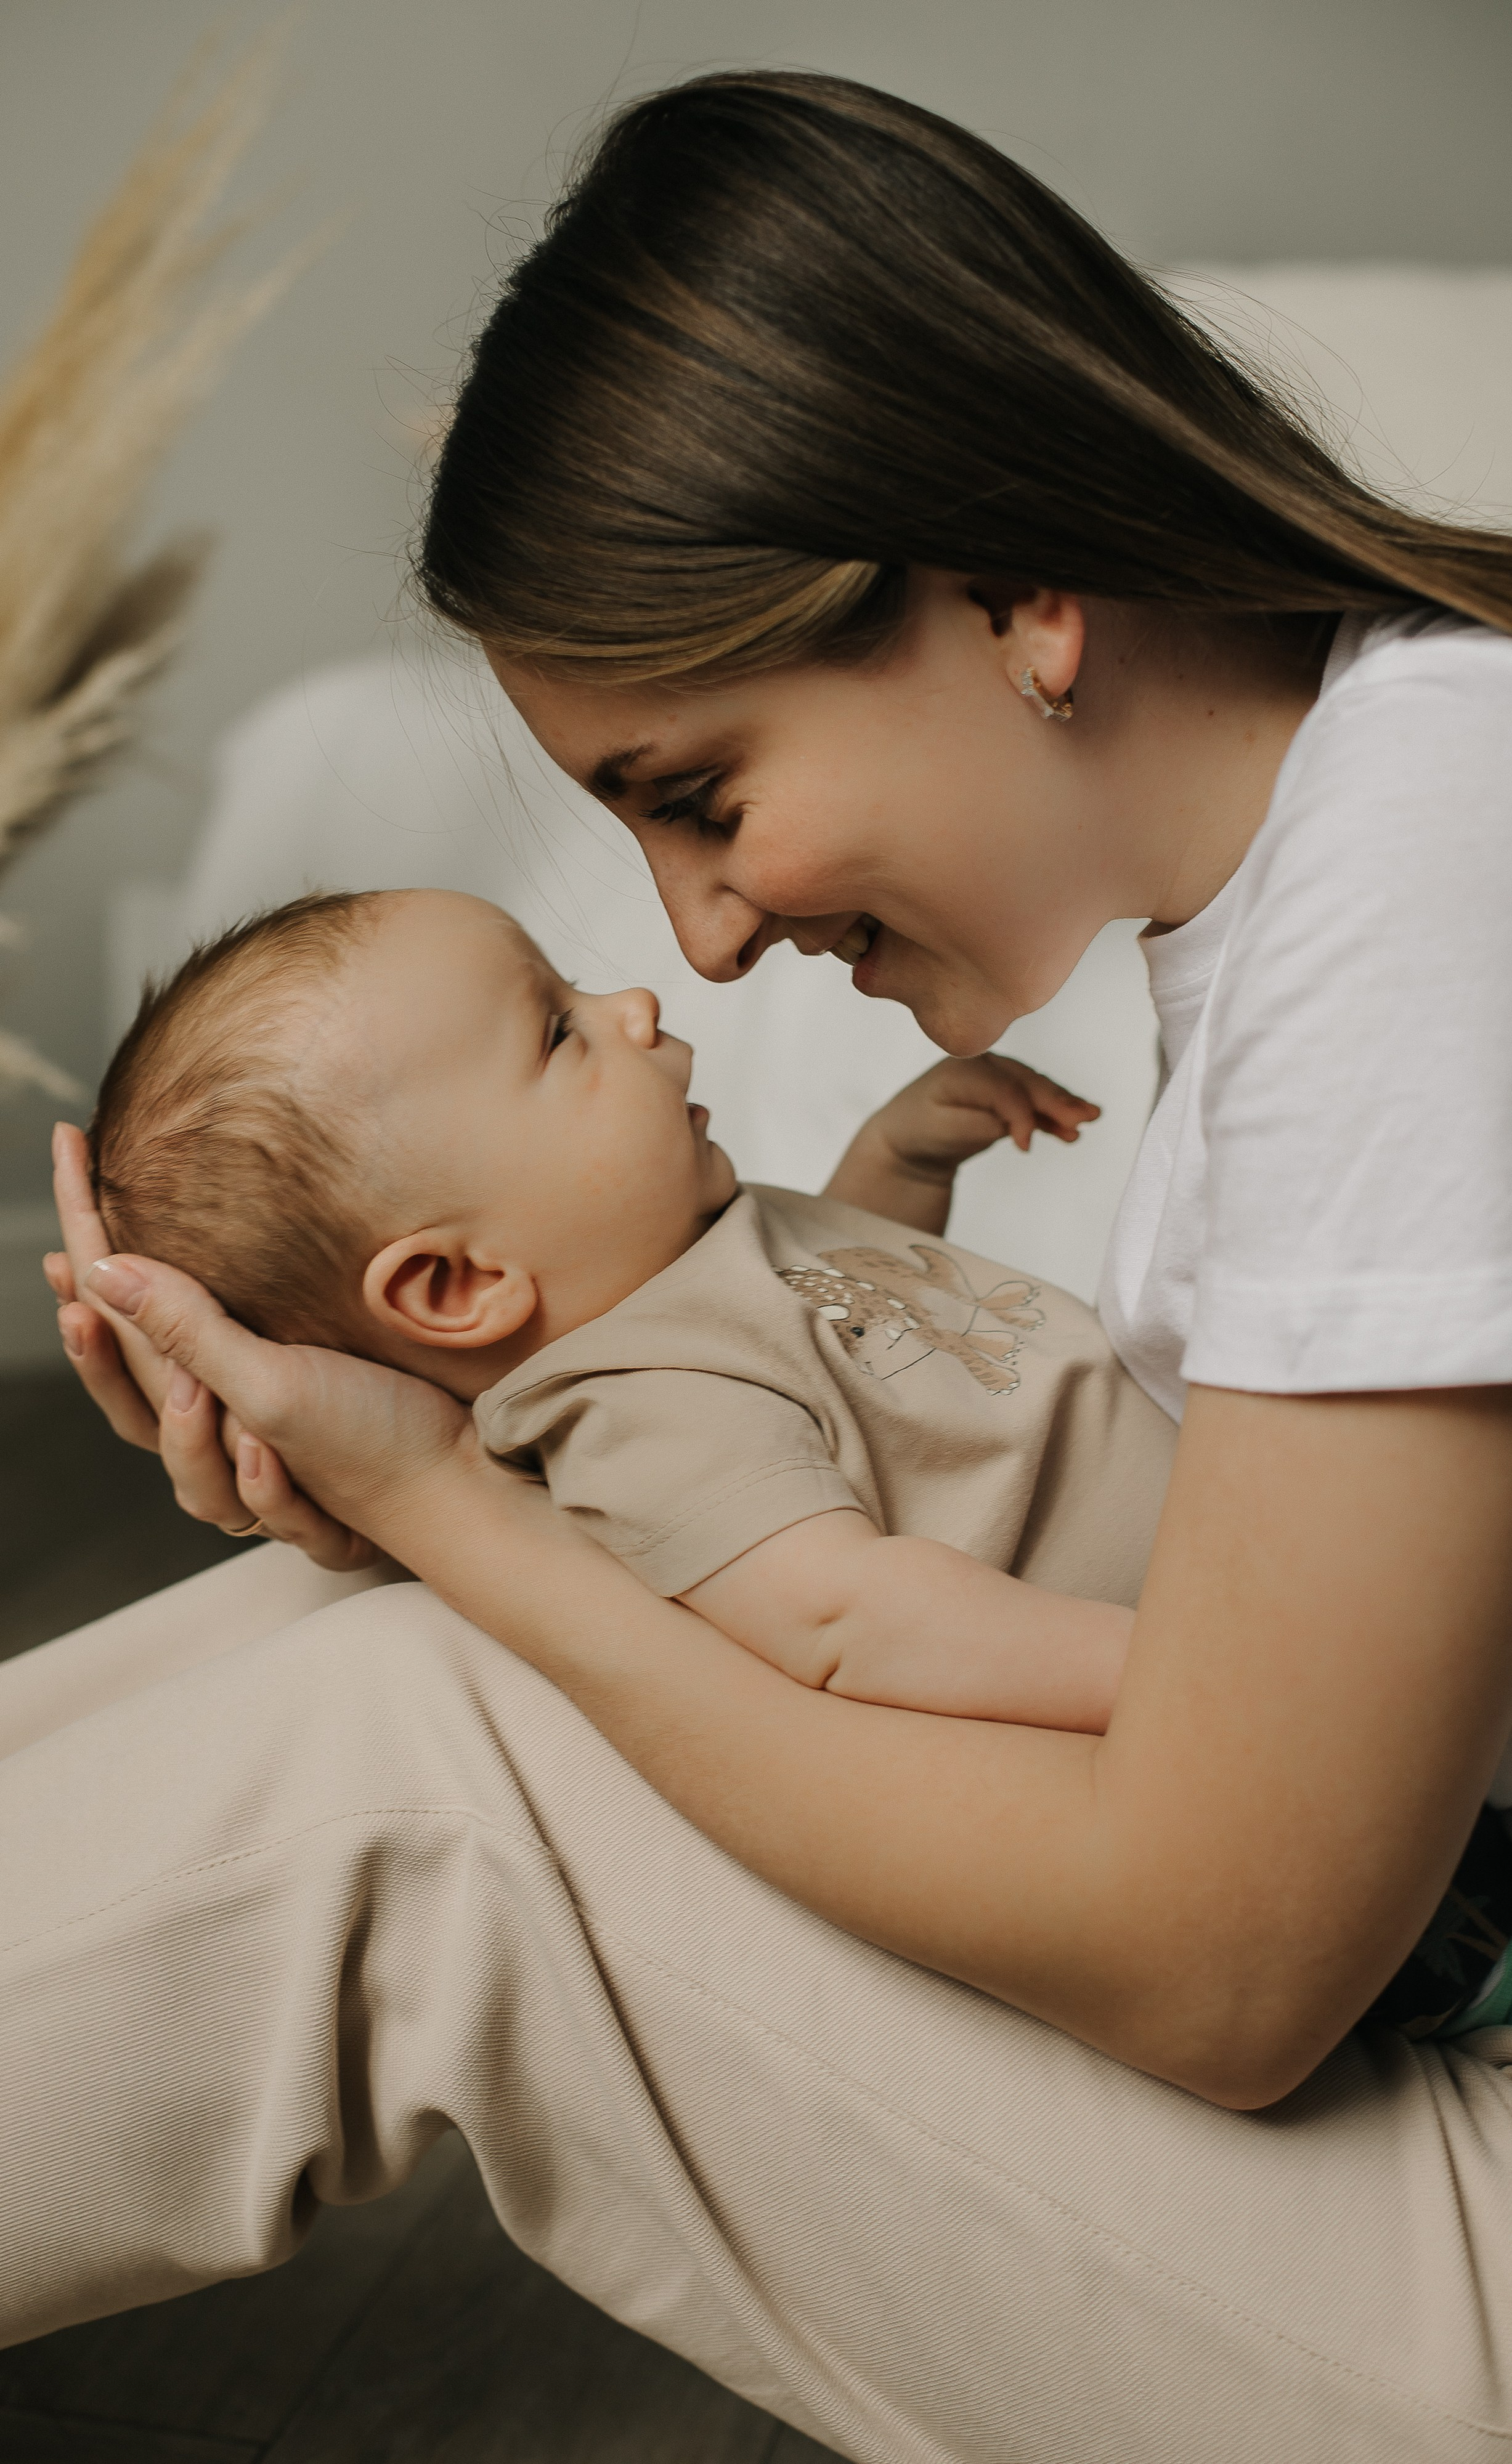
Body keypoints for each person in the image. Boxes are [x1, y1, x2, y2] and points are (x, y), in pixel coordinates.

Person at [16, 67, 1512, 2464]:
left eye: (699, 794)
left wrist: (465, 1513)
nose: (698, 944)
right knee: (389, 1625)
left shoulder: (1429, 860)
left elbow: (1224, 1961)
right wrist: (426, 1494)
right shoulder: (1365, 841)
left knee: (416, 1734)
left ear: (1020, 591)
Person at [87, 883, 1167, 1725]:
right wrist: (1198, 1680)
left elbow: (844, 1343)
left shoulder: (694, 1262)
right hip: (1194, 1635)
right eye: (560, 1032)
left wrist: (895, 1159)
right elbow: (850, 1616)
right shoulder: (637, 1413)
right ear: (457, 1285)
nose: (633, 1007)